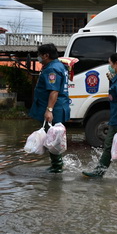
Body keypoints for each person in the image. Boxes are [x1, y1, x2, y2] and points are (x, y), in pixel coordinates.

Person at [29, 43, 70, 173]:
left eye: (40, 55)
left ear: (46, 55)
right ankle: (56, 164)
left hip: (54, 109)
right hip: (56, 107)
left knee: (52, 137)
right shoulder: (59, 66)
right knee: (52, 136)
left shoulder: (52, 69)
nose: (38, 58)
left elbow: (54, 91)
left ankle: (57, 166)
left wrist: (49, 110)